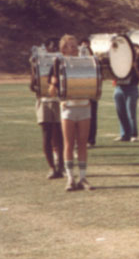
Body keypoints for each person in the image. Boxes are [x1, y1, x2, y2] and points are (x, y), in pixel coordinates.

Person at [48, 35, 93, 191]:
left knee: (82, 143)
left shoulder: (86, 63)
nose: (74, 49)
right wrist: (54, 84)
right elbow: (51, 92)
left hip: (84, 106)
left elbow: (93, 83)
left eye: (76, 46)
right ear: (63, 49)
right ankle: (70, 178)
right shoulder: (57, 64)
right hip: (68, 108)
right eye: (71, 46)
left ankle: (82, 177)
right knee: (68, 144)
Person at [31, 38, 64, 179]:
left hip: (58, 102)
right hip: (44, 102)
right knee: (46, 134)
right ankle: (52, 167)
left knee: (59, 136)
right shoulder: (39, 62)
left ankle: (61, 165)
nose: (54, 49)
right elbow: (32, 86)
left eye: (56, 47)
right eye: (51, 47)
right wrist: (34, 74)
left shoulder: (64, 63)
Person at [113, 47, 139, 142]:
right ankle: (124, 134)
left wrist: (135, 67)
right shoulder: (121, 60)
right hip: (119, 87)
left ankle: (133, 134)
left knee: (131, 113)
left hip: (131, 88)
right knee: (121, 112)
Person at [78, 38, 98, 146]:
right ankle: (82, 139)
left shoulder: (94, 61)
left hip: (91, 90)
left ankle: (91, 139)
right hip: (81, 92)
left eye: (87, 46)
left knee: (92, 116)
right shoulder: (77, 62)